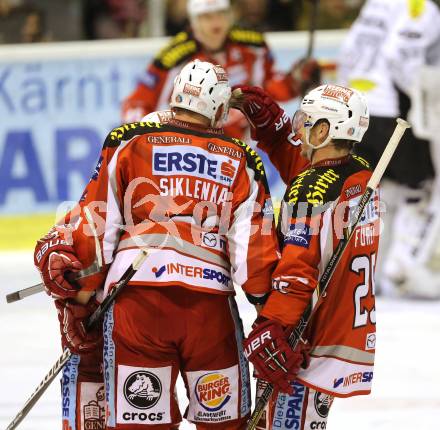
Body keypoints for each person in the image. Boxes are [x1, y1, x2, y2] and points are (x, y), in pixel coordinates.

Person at [34, 59, 279, 429]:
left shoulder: (128, 141)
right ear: (219, 108)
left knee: (141, 422)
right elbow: (254, 256)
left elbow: (96, 228)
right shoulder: (242, 158)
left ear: (176, 96)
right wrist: (273, 316)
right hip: (208, 311)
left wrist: (79, 302)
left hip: (137, 306)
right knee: (227, 423)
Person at [237, 84, 380, 429]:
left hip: (306, 338)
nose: (299, 129)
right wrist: (273, 132)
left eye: (307, 122)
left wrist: (274, 325)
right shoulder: (361, 171)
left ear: (323, 131)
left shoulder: (309, 189)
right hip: (345, 329)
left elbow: (297, 270)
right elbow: (309, 172)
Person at [338, 0, 440, 297]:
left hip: (358, 109)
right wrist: (423, 99)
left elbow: (348, 51)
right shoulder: (418, 6)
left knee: (380, 191)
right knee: (419, 187)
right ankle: (403, 269)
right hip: (390, 111)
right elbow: (400, 57)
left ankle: (370, 276)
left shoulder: (375, 4)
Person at [121, 0, 320, 139]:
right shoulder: (172, 58)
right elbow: (137, 104)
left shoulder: (253, 45)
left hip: (239, 149)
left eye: (220, 14)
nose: (215, 23)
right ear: (193, 21)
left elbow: (270, 89)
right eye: (206, 17)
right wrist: (140, 137)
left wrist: (296, 80)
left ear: (230, 15)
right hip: (187, 148)